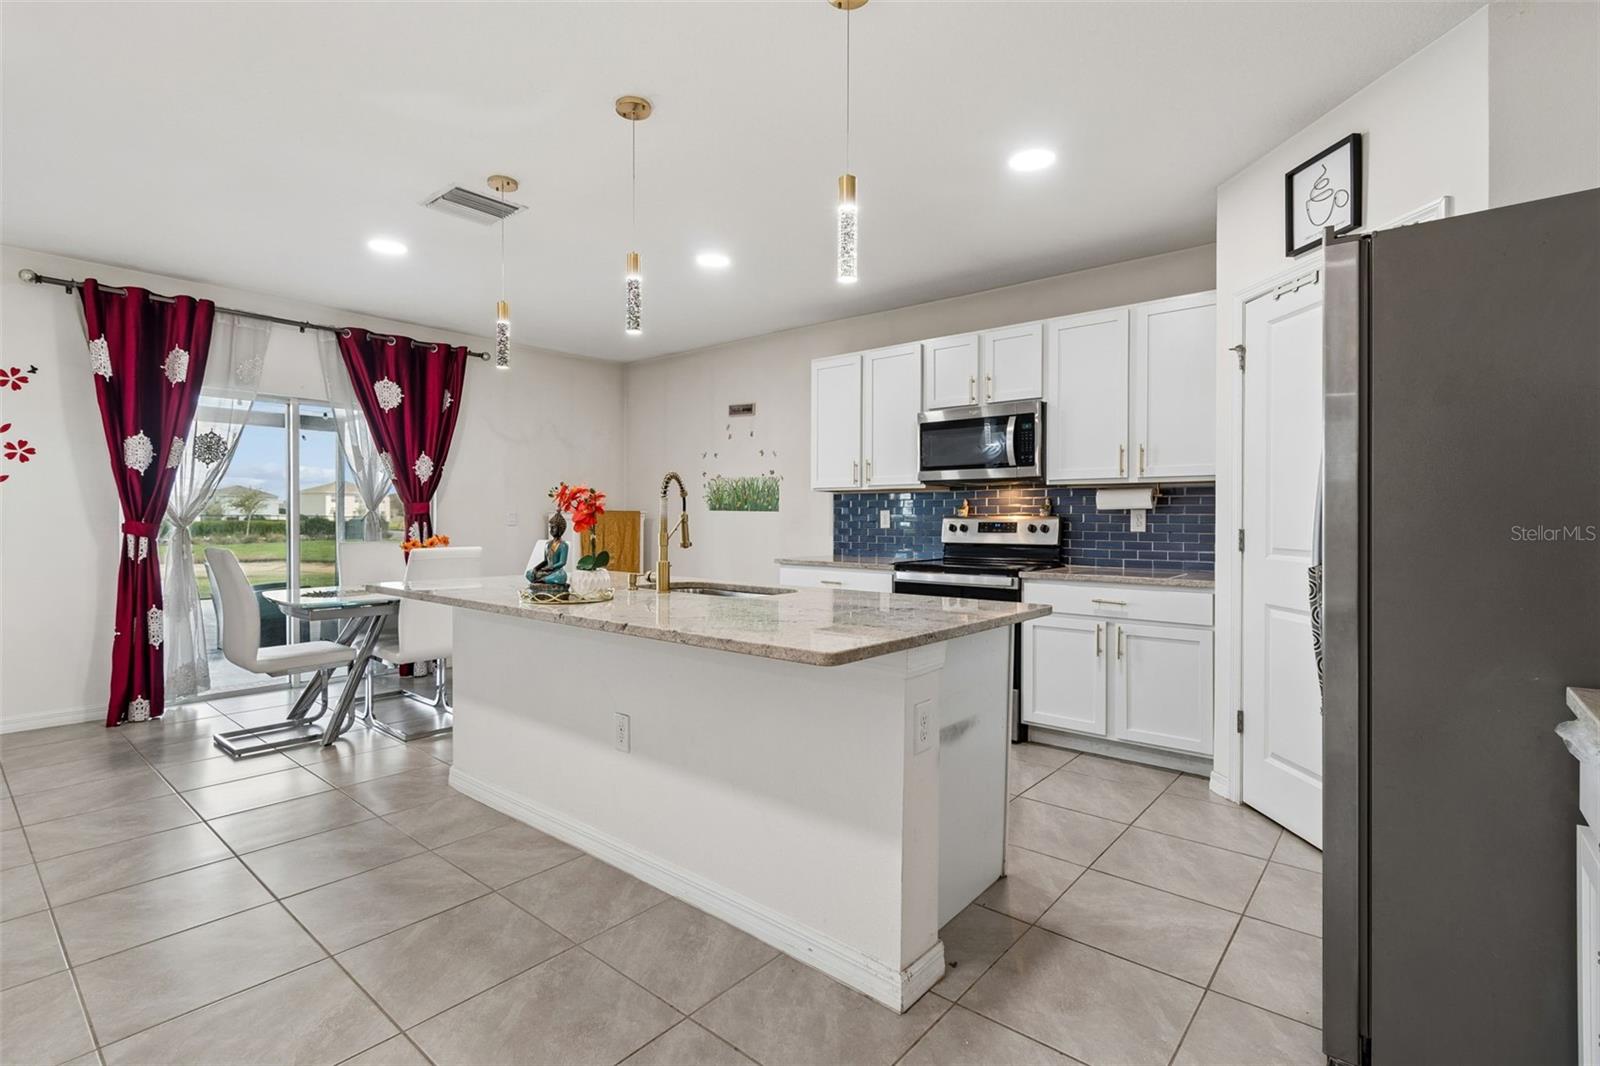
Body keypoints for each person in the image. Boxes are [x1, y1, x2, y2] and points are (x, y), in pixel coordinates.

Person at [526, 511, 570, 585]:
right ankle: (543, 580)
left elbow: (562, 562)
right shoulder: (548, 544)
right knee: (529, 573)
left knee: (561, 576)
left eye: (554, 527)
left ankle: (542, 581)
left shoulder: (563, 545)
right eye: (550, 527)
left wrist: (551, 567)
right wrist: (536, 568)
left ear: (560, 529)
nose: (551, 530)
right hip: (546, 571)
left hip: (556, 571)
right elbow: (545, 561)